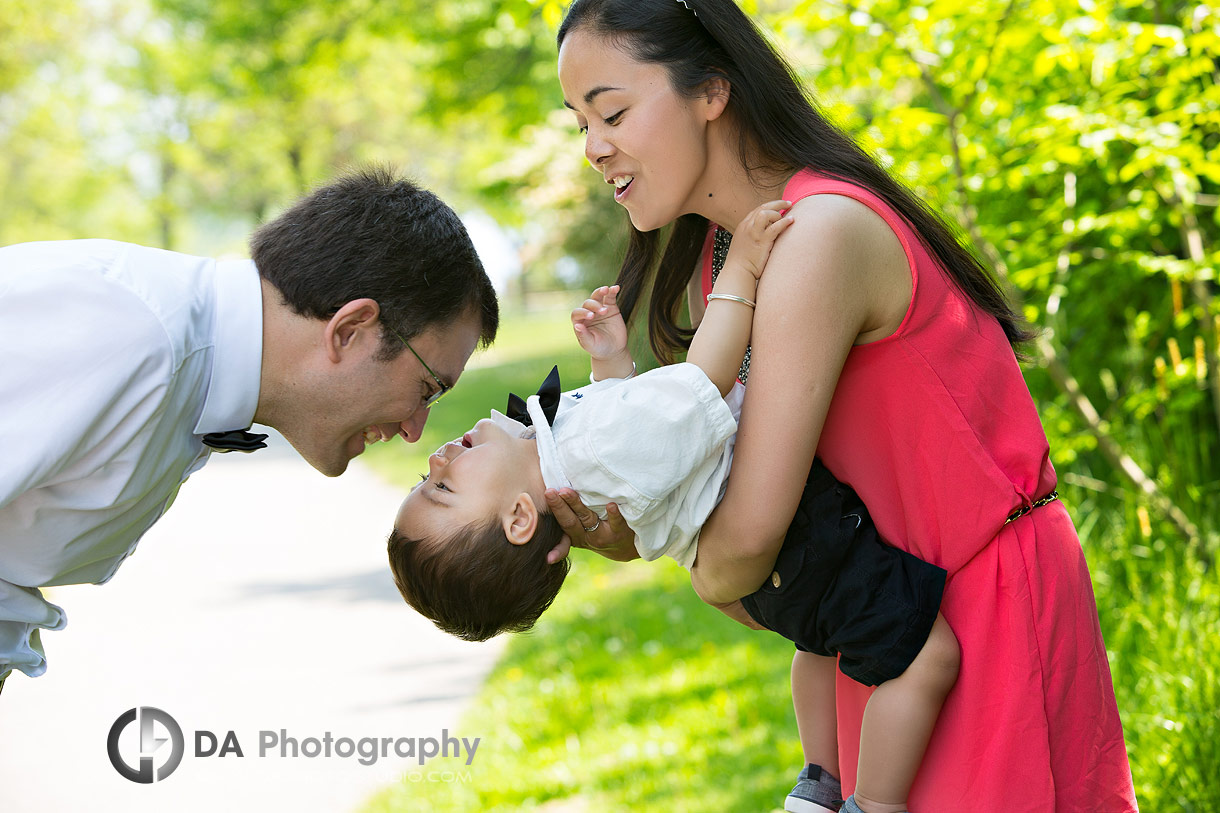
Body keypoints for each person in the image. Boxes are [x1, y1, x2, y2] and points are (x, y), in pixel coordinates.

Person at [545, 1, 1138, 811]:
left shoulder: (815, 235)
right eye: (580, 122)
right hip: (888, 632)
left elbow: (747, 546)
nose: (593, 147)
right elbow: (751, 536)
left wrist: (696, 557)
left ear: (712, 90)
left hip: (980, 617)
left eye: (611, 112)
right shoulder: (724, 263)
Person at [389, 200, 959, 813]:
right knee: (926, 655)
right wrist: (737, 272)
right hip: (796, 537)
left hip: (769, 573)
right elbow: (700, 385)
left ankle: (818, 782)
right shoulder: (584, 451)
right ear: (521, 518)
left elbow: (635, 432)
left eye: (427, 474)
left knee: (820, 644)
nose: (440, 459)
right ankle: (874, 801)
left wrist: (609, 362)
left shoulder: (570, 459)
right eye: (443, 488)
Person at [0, 166, 499, 692]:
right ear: (351, 331)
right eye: (427, 389)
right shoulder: (122, 330)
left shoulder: (184, 365)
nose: (415, 430)